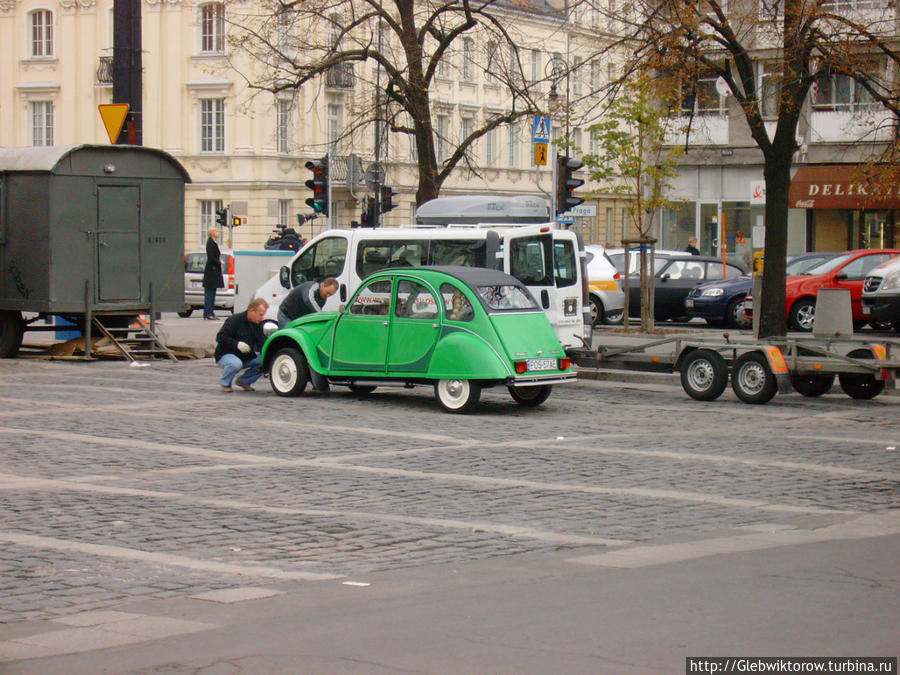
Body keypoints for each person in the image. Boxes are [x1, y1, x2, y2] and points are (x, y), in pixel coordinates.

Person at [215, 297, 269, 392]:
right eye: (260, 315)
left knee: (265, 360)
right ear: (252, 311)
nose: (262, 318)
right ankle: (225, 384)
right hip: (226, 354)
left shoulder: (257, 324)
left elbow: (261, 342)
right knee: (235, 364)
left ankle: (244, 381)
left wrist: (267, 356)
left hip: (245, 355)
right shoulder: (235, 320)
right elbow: (220, 337)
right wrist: (237, 344)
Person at [202, 225, 224, 320]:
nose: (218, 233)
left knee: (211, 293)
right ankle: (209, 313)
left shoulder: (213, 242)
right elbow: (211, 257)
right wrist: (219, 262)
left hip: (213, 271)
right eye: (217, 231)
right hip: (212, 272)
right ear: (212, 233)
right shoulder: (211, 243)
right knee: (210, 293)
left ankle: (209, 312)